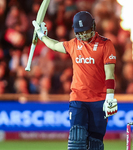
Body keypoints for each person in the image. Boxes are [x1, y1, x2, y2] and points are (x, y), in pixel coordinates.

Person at [32, 11, 118, 150]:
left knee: (95, 142)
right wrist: (41, 35)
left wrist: (110, 96)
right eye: (80, 33)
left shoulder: (105, 45)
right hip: (78, 98)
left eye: (86, 31)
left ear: (93, 26)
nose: (83, 36)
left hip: (99, 100)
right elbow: (54, 45)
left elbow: (110, 74)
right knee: (76, 138)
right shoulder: (73, 44)